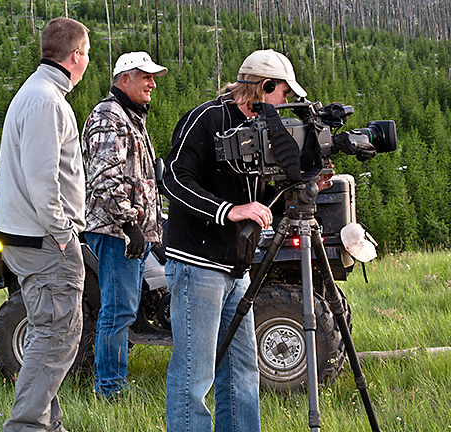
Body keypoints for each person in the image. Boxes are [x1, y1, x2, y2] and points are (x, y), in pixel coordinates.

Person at [162, 49, 333, 432]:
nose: (286, 103)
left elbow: (265, 191)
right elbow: (173, 179)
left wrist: (307, 184)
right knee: (194, 373)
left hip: (238, 268)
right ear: (264, 86)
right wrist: (230, 209)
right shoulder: (207, 119)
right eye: (283, 93)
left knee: (242, 371)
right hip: (197, 263)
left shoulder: (265, 128)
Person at [0, 17, 90, 432]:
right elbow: (41, 180)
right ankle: (28, 426)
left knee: (46, 332)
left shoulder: (35, 93)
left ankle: (48, 425)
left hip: (29, 238)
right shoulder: (47, 101)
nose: (87, 60)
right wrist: (65, 234)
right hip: (46, 242)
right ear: (75, 56)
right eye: (86, 52)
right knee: (56, 335)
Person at [81, 52, 167, 401]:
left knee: (123, 309)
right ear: (124, 79)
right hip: (115, 233)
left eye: (153, 77)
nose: (152, 83)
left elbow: (137, 178)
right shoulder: (107, 117)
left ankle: (111, 383)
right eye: (145, 76)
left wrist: (152, 227)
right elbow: (104, 179)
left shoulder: (130, 117)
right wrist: (130, 224)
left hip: (132, 233)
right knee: (117, 311)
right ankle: (110, 389)